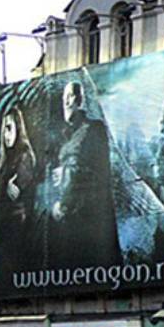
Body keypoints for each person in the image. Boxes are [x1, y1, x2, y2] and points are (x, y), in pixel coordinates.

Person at [45, 81, 120, 269]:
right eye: (64, 97)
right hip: (68, 218)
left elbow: (99, 171)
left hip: (89, 217)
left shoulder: (94, 129)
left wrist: (65, 174)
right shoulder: (64, 135)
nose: (66, 101)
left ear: (80, 100)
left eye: (70, 96)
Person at [0, 106, 38, 278]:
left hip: (17, 230)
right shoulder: (6, 159)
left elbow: (16, 192)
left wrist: (7, 188)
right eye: (4, 129)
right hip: (4, 229)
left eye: (10, 128)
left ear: (19, 128)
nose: (6, 134)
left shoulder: (24, 156)